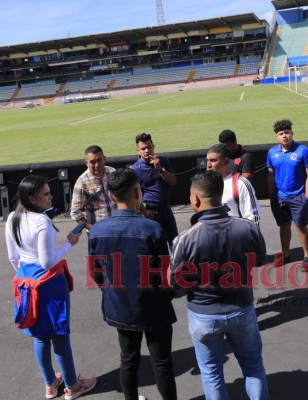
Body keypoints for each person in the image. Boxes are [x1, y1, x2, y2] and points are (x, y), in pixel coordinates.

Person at [170, 170, 269, 400]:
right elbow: (260, 259)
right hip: (242, 309)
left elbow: (175, 286)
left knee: (212, 373)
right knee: (253, 367)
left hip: (204, 316)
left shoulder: (184, 239)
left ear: (195, 199)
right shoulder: (248, 228)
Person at [88, 168, 177, 400]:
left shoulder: (97, 231)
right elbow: (164, 274)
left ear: (111, 196)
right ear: (138, 192)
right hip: (153, 306)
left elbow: (96, 274)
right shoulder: (152, 229)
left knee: (128, 360)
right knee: (162, 362)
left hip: (121, 306)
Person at [5, 175, 96, 400]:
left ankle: (50, 384)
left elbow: (13, 258)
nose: (50, 197)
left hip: (26, 283)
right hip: (50, 285)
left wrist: (27, 275)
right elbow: (47, 262)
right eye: (45, 194)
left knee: (40, 337)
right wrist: (69, 244)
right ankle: (73, 387)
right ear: (32, 198)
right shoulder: (41, 222)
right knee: (60, 335)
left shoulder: (12, 218)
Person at [267, 119, 308, 268]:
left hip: (298, 196)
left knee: (300, 227)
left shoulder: (303, 150)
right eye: (281, 134)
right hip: (279, 197)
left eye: (287, 132)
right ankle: (286, 254)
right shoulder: (272, 152)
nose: (284, 136)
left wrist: (306, 197)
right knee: (283, 226)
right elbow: (270, 174)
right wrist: (272, 194)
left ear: (292, 133)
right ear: (276, 136)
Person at [131, 132, 178, 246]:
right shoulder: (135, 170)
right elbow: (133, 196)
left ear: (153, 147)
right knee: (157, 247)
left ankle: (176, 264)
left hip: (167, 210)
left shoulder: (163, 161)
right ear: (138, 151)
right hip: (151, 213)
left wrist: (160, 169)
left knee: (176, 244)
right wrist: (145, 212)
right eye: (143, 148)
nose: (147, 150)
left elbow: (173, 181)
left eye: (149, 147)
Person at [206, 143, 261, 224]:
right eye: (207, 160)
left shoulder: (241, 183)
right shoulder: (205, 184)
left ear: (226, 161)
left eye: (213, 160)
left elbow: (253, 216)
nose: (208, 165)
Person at [70, 145, 116, 231]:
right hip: (99, 231)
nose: (97, 165)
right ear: (86, 163)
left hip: (117, 227)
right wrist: (93, 229)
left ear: (104, 159)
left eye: (99, 160)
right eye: (92, 162)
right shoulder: (82, 182)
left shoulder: (112, 172)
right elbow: (75, 212)